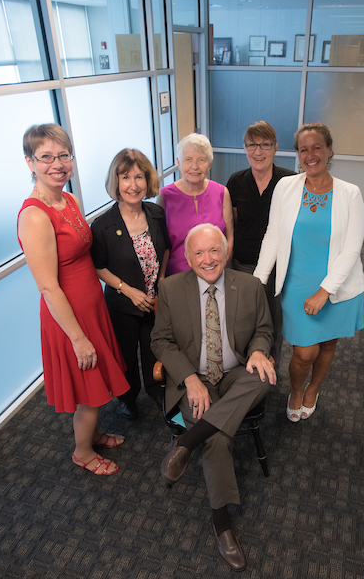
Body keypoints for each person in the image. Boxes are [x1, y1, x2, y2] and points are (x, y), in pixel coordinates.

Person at [151, 223, 276, 571]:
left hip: (237, 373)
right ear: (188, 258)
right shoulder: (171, 289)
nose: (208, 259)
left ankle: (186, 443)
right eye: (199, 253)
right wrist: (190, 378)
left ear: (226, 252)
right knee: (219, 439)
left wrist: (258, 350)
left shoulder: (250, 286)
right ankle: (222, 524)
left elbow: (264, 330)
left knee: (264, 375)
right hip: (196, 376)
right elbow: (160, 341)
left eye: (214, 250)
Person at [17, 124, 130, 476]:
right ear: (29, 162)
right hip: (69, 320)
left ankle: (91, 434)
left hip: (90, 307)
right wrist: (78, 338)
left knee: (92, 388)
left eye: (63, 155)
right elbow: (48, 287)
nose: (57, 164)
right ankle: (82, 451)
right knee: (89, 391)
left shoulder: (69, 199)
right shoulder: (35, 216)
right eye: (46, 156)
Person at [254, 122, 364, 422]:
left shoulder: (350, 193)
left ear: (329, 150)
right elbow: (273, 236)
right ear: (298, 154)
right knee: (304, 352)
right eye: (304, 149)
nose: (311, 154)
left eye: (317, 147)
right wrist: (257, 281)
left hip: (337, 286)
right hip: (297, 284)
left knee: (328, 343)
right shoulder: (286, 187)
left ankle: (313, 388)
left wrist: (325, 291)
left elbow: (352, 249)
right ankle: (295, 389)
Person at [90, 149, 171, 420]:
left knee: (153, 349)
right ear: (116, 182)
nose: (133, 185)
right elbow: (99, 266)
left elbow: (167, 249)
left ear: (148, 181)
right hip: (122, 304)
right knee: (125, 355)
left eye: (139, 177)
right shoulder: (102, 225)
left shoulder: (157, 213)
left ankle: (157, 392)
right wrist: (129, 291)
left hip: (154, 302)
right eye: (125, 177)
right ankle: (128, 398)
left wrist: (160, 282)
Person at [227, 121, 296, 368]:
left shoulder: (290, 181)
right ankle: (244, 365)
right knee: (244, 318)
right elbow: (231, 223)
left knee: (274, 319)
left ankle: (271, 364)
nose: (258, 151)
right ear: (244, 148)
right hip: (244, 263)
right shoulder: (236, 181)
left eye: (265, 144)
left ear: (275, 148)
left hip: (278, 265)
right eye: (252, 145)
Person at [157, 133, 234, 275]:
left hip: (215, 274)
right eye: (188, 159)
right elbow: (160, 243)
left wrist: (222, 269)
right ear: (179, 163)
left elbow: (229, 236)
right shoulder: (165, 196)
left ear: (209, 164)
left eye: (201, 160)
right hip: (177, 277)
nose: (194, 166)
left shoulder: (222, 192)